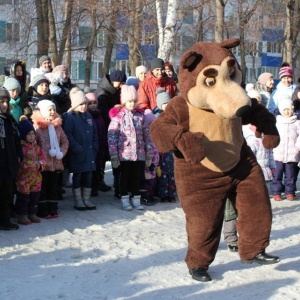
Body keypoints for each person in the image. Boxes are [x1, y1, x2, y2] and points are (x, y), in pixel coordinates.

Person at [108, 85, 154, 211]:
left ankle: (136, 198)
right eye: (129, 101)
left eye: (134, 101)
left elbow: (147, 136)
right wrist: (114, 155)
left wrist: (149, 153)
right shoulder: (118, 118)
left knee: (137, 177)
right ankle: (124, 198)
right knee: (124, 177)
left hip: (139, 154)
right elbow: (112, 137)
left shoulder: (140, 117)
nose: (132, 104)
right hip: (124, 154)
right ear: (124, 101)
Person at [31, 100, 69, 218]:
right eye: (50, 110)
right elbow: (34, 144)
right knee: (43, 187)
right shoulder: (37, 127)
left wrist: (61, 153)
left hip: (56, 162)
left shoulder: (57, 126)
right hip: (43, 164)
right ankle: (42, 210)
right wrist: (40, 157)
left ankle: (53, 209)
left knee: (53, 187)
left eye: (54, 109)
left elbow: (64, 141)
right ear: (42, 111)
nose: (52, 112)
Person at [64, 87, 98, 211]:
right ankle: (78, 200)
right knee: (77, 176)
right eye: (80, 104)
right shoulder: (71, 118)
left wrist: (94, 148)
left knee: (88, 176)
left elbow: (95, 133)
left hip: (89, 153)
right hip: (77, 154)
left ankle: (86, 199)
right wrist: (76, 148)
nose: (83, 107)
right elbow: (68, 135)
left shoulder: (89, 116)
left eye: (85, 104)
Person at [96, 69, 127, 196]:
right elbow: (102, 112)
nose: (121, 86)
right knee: (102, 156)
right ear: (113, 81)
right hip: (105, 126)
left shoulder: (116, 90)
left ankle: (117, 181)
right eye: (120, 83)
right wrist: (114, 112)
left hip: (114, 125)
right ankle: (99, 180)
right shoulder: (102, 92)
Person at [15, 116, 46, 225]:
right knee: (24, 197)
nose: (32, 137)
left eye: (33, 134)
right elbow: (22, 163)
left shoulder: (36, 147)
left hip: (36, 177)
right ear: (23, 135)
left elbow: (43, 156)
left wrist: (41, 163)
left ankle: (32, 213)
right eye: (29, 134)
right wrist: (34, 164)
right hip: (24, 178)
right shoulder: (22, 147)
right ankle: (22, 214)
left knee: (34, 196)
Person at [0, 87, 22, 230]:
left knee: (7, 194)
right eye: (1, 101)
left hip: (8, 164)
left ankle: (5, 220)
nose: (5, 105)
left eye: (6, 101)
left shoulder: (10, 120)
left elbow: (16, 140)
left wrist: (18, 155)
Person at [271, 97, 300, 201]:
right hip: (278, 152)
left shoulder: (297, 122)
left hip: (293, 153)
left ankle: (290, 192)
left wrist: (298, 147)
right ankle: (276, 192)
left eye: (289, 109)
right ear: (280, 110)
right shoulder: (277, 122)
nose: (287, 112)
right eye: (284, 110)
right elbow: (273, 135)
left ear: (292, 110)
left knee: (290, 175)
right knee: (277, 174)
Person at [153, 88, 176, 202]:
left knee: (172, 172)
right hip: (161, 149)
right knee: (162, 173)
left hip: (171, 148)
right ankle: (163, 193)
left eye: (168, 103)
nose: (166, 106)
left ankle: (171, 193)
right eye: (164, 104)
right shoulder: (156, 116)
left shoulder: (173, 116)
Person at [86, 92, 110, 196]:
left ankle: (95, 186)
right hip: (90, 147)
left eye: (94, 103)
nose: (92, 105)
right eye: (90, 103)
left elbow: (103, 131)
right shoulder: (86, 116)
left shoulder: (99, 116)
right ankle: (89, 188)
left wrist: (104, 144)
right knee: (89, 170)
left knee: (98, 168)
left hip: (100, 146)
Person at [139, 109, 159, 206]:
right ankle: (145, 197)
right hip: (148, 160)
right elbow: (149, 147)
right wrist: (149, 160)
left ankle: (149, 196)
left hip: (153, 161)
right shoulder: (147, 133)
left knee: (152, 180)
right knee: (147, 180)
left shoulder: (153, 133)